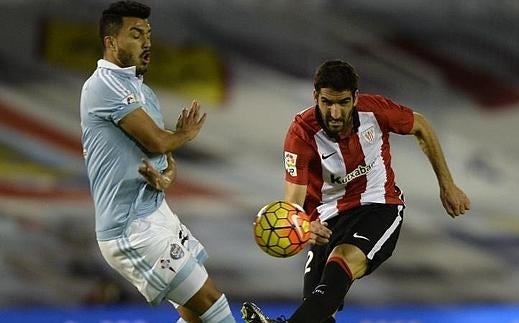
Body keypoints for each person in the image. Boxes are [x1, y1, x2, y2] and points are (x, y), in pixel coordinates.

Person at [241, 60, 471, 323]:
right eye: (327, 102)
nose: (335, 113)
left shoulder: (377, 111)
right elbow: (293, 202)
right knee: (317, 309)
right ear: (315, 97)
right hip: (327, 219)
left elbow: (421, 126)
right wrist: (303, 225)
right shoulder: (301, 134)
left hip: (379, 206)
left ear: (355, 99)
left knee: (340, 265)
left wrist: (447, 184)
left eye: (343, 102)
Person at [80, 2, 236, 322]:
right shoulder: (103, 86)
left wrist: (165, 177)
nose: (147, 42)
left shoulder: (144, 93)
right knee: (212, 304)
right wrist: (185, 134)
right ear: (111, 42)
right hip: (129, 228)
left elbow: (162, 157)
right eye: (136, 35)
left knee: (195, 314)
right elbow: (157, 140)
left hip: (156, 216)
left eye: (148, 34)